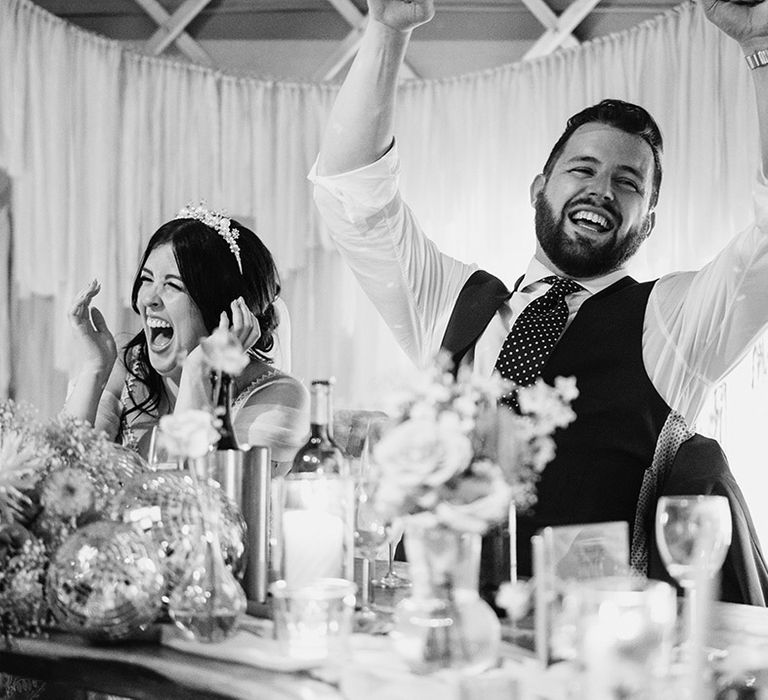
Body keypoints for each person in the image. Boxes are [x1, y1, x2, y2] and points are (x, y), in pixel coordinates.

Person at [310, 0, 768, 577]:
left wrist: (764, 48)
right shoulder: (457, 303)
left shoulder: (676, 322)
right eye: (583, 169)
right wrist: (385, 29)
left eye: (627, 183)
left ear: (648, 223)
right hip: (428, 619)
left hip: (578, 649)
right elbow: (356, 200)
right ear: (537, 188)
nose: (601, 190)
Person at [64, 205, 309, 472]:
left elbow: (183, 502)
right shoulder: (128, 367)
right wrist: (95, 369)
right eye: (147, 279)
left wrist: (198, 373)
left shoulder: (280, 398)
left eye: (172, 285)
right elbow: (61, 474)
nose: (148, 298)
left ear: (221, 309)